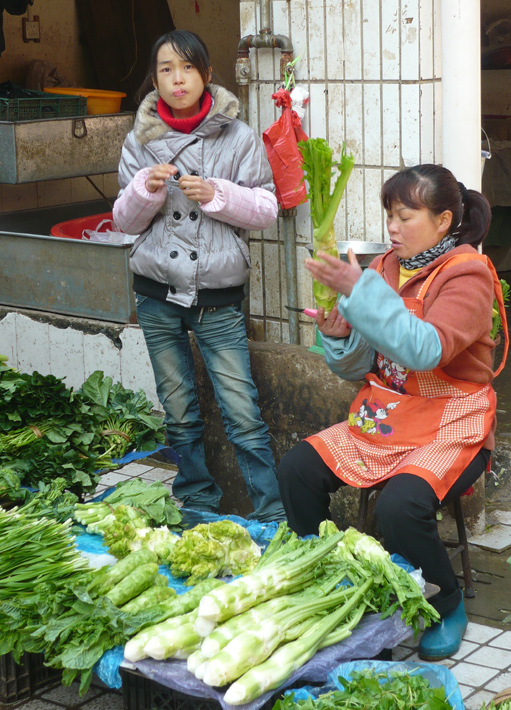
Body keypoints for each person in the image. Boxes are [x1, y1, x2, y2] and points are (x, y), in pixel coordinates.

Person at [277, 164, 508, 660]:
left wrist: (359, 292)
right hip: (387, 417)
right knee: (297, 469)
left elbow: (424, 350)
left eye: (406, 215)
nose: (393, 227)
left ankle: (447, 604)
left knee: (400, 507)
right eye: (390, 215)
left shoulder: (468, 273)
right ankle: (332, 577)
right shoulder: (384, 267)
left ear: (444, 220)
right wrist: (338, 337)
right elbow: (364, 364)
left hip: (453, 425)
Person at [113, 29, 285, 523]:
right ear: (155, 79)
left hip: (216, 299)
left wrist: (217, 195)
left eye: (187, 68)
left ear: (207, 75)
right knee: (179, 410)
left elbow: (268, 209)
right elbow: (123, 221)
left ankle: (272, 515)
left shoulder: (239, 136)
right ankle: (197, 505)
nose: (177, 78)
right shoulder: (139, 140)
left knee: (242, 412)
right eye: (166, 69)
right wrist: (145, 189)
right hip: (156, 295)